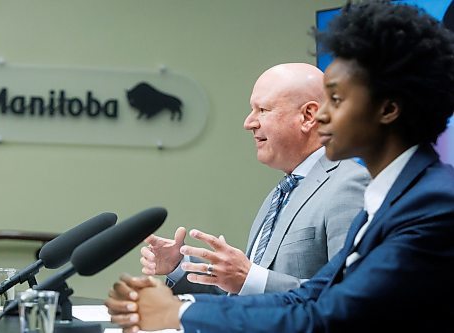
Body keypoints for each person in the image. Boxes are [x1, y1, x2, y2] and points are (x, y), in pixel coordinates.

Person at [105, 1, 454, 332]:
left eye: (335, 99)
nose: (322, 116)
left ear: (388, 110)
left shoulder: (433, 204)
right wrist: (177, 307)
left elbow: (330, 319)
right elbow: (305, 298)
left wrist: (177, 312)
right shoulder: (391, 200)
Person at [140, 63, 370, 295]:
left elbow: (350, 297)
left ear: (308, 116)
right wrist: (180, 267)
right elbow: (247, 300)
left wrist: (249, 277)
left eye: (262, 110)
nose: (249, 123)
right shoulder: (281, 193)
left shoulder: (348, 186)